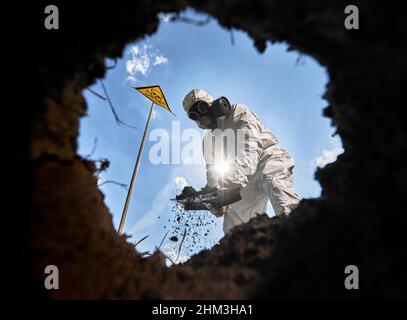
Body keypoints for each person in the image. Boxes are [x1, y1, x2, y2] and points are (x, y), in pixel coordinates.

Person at [182, 88, 300, 233]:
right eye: (194, 115)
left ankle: (299, 236)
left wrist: (227, 187)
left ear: (212, 104)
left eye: (202, 107)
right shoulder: (208, 142)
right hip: (240, 181)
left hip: (266, 158)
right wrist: (206, 195)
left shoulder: (237, 112)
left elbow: (248, 149)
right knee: (235, 226)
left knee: (278, 190)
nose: (200, 117)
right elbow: (212, 174)